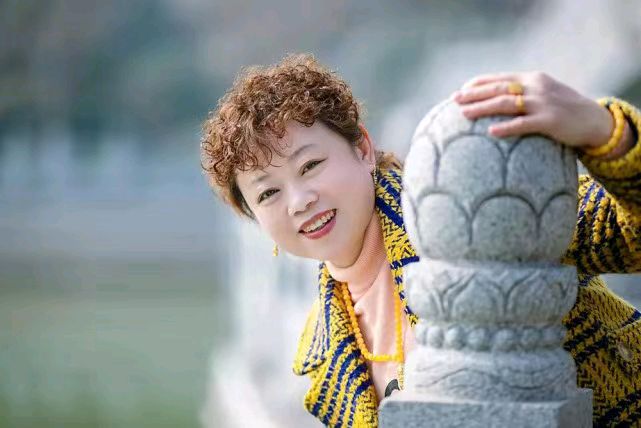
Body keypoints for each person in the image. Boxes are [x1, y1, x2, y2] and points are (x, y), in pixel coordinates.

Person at [200, 53, 641, 427]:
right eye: (268, 194)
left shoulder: (464, 206)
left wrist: (604, 131)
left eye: (310, 165)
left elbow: (630, 233)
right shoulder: (324, 345)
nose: (299, 201)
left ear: (363, 150)